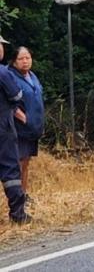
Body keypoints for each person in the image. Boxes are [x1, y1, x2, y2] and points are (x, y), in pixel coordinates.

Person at [0, 35, 30, 224]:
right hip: (3, 126)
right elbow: (16, 95)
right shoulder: (3, 73)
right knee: (10, 170)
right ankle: (18, 215)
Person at [9, 47, 44, 205]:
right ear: (14, 61)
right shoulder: (11, 77)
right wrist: (23, 118)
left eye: (28, 58)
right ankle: (17, 197)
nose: (25, 61)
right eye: (21, 59)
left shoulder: (32, 76)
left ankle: (24, 193)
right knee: (19, 162)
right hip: (19, 128)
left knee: (26, 161)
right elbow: (8, 103)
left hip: (32, 129)